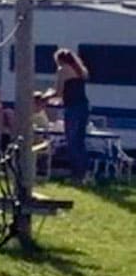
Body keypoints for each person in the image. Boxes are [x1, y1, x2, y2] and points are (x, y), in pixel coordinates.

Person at [55, 48, 91, 183]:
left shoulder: (63, 70)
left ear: (60, 60)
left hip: (72, 108)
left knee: (72, 142)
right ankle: (85, 173)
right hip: (83, 107)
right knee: (80, 142)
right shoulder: (80, 70)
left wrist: (45, 97)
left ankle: (76, 175)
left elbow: (58, 92)